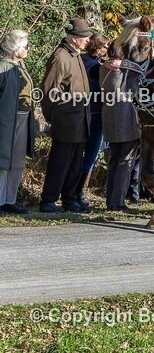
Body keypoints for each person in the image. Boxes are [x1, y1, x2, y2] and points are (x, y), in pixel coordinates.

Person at [39, 18, 94, 213]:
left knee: (74, 164)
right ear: (73, 38)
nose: (88, 40)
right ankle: (48, 200)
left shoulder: (75, 54)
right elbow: (48, 90)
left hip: (80, 121)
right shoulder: (61, 56)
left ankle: (70, 199)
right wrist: (54, 117)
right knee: (60, 163)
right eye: (84, 37)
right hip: (66, 120)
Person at [99, 55, 142, 211]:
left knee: (114, 160)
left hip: (111, 120)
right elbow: (142, 73)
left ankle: (111, 199)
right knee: (126, 162)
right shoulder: (129, 69)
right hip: (128, 121)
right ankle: (118, 201)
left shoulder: (103, 68)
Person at [0, 30, 34, 215]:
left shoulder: (19, 65)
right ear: (15, 49)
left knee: (17, 161)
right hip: (6, 120)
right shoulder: (3, 68)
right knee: (3, 161)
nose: (28, 49)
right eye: (25, 46)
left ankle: (9, 199)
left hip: (22, 117)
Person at [78, 34, 109, 199]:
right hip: (89, 112)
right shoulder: (89, 62)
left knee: (92, 154)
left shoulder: (100, 62)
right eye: (104, 47)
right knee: (88, 154)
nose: (106, 50)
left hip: (97, 112)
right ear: (97, 46)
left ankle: (81, 191)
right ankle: (78, 192)